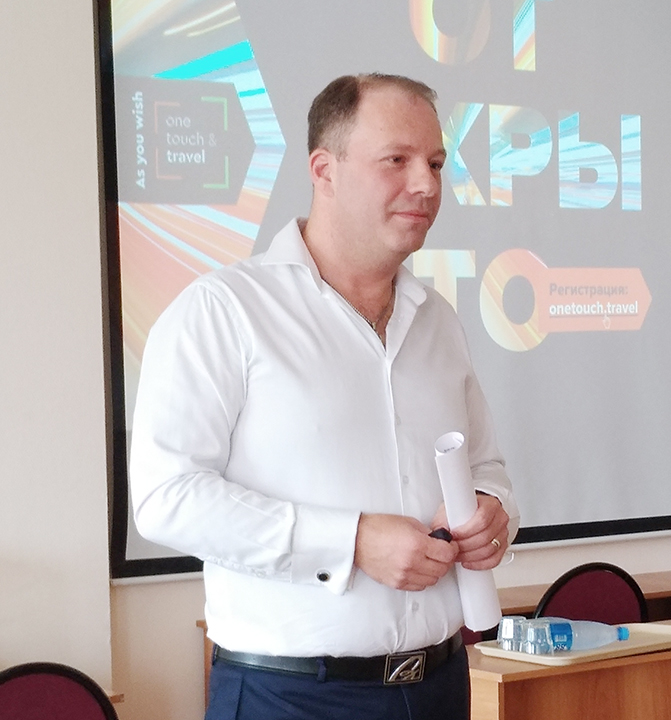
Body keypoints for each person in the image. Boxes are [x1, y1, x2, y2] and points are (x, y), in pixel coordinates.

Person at [129, 73, 518, 720]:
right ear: (323, 170)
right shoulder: (223, 311)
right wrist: (350, 542)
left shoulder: (439, 320)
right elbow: (165, 498)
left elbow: (487, 467)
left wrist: (494, 511)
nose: (426, 185)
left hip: (442, 685)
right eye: (396, 160)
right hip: (291, 698)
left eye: (435, 164)